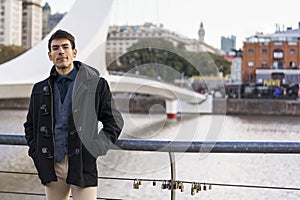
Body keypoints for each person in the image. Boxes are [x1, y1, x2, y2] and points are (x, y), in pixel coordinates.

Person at [23, 29, 124, 200]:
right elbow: (30, 126)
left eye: (65, 47)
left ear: (74, 52)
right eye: (55, 48)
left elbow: (114, 122)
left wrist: (95, 149)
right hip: (51, 165)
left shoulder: (96, 85)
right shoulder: (39, 89)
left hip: (83, 164)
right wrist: (37, 154)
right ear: (50, 55)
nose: (61, 51)